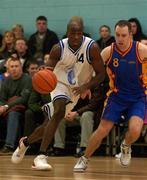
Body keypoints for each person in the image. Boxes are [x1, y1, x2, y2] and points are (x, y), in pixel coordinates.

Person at [11, 16, 105, 170]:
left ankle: (25, 142)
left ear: (83, 32)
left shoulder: (92, 47)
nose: (75, 37)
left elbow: (101, 74)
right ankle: (41, 156)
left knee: (49, 124)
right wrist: (42, 77)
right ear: (67, 32)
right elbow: (47, 73)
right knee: (60, 110)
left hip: (76, 89)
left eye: (78, 33)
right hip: (58, 84)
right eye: (72, 33)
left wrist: (86, 86)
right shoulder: (58, 48)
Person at [73, 19, 147, 172]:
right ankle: (84, 158)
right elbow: (93, 71)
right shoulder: (108, 51)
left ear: (131, 35)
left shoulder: (141, 50)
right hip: (116, 96)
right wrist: (86, 86)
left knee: (135, 130)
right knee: (102, 130)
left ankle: (125, 146)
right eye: (118, 35)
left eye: (124, 35)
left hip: (138, 97)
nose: (120, 39)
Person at [0, 56, 32, 154]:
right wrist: (1, 106)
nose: (14, 68)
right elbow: (2, 99)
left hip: (23, 109)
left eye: (16, 66)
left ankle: (9, 146)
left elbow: (23, 99)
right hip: (8, 108)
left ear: (21, 67)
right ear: (8, 69)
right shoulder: (6, 80)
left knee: (13, 113)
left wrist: (6, 106)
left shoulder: (27, 79)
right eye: (12, 66)